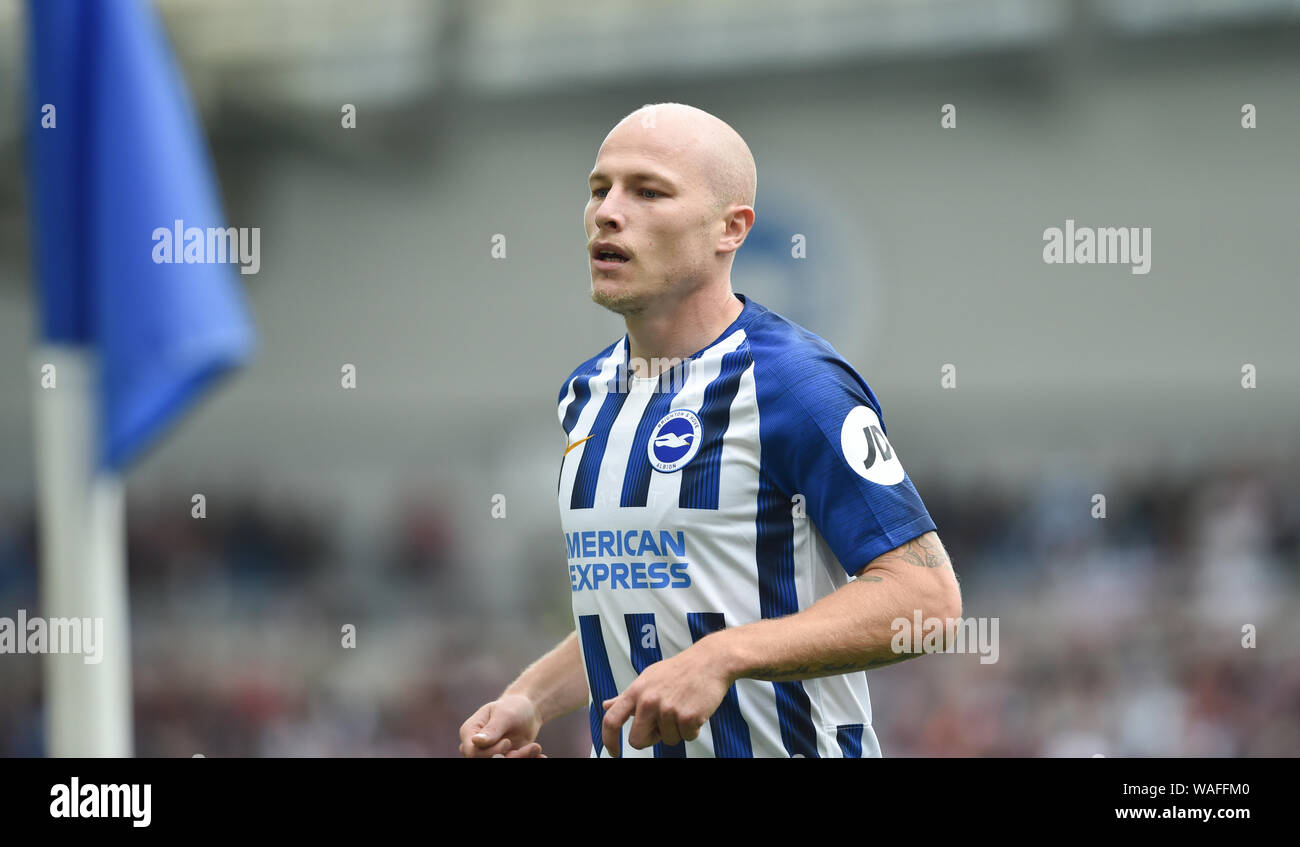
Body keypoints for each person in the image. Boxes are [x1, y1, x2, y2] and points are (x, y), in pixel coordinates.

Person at [459, 103, 961, 758]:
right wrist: (529, 698)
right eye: (599, 188)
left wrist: (724, 655)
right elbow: (641, 606)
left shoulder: (795, 382)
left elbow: (927, 598)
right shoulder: (585, 395)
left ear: (731, 227)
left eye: (648, 191)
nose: (609, 211)